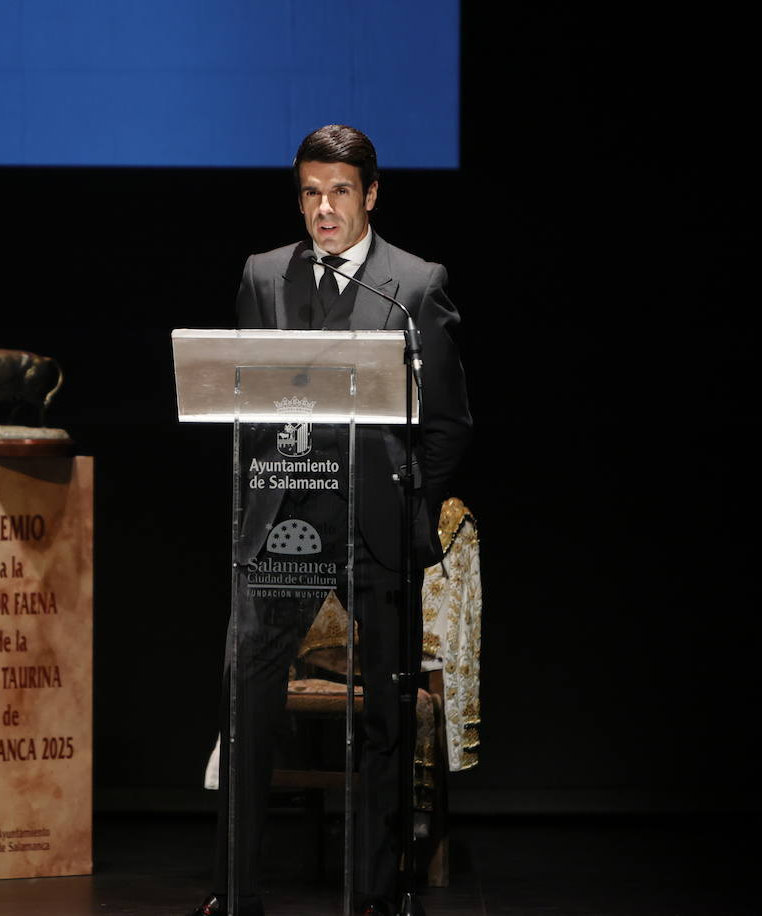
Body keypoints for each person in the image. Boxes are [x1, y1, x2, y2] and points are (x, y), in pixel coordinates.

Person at [190, 125, 472, 916]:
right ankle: (233, 891)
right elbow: (241, 400)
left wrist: (409, 503)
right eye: (311, 193)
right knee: (246, 704)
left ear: (371, 195)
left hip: (374, 527)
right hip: (283, 521)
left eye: (340, 192)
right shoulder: (263, 276)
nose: (324, 209)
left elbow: (449, 423)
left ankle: (380, 892)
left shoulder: (413, 286)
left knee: (386, 715)